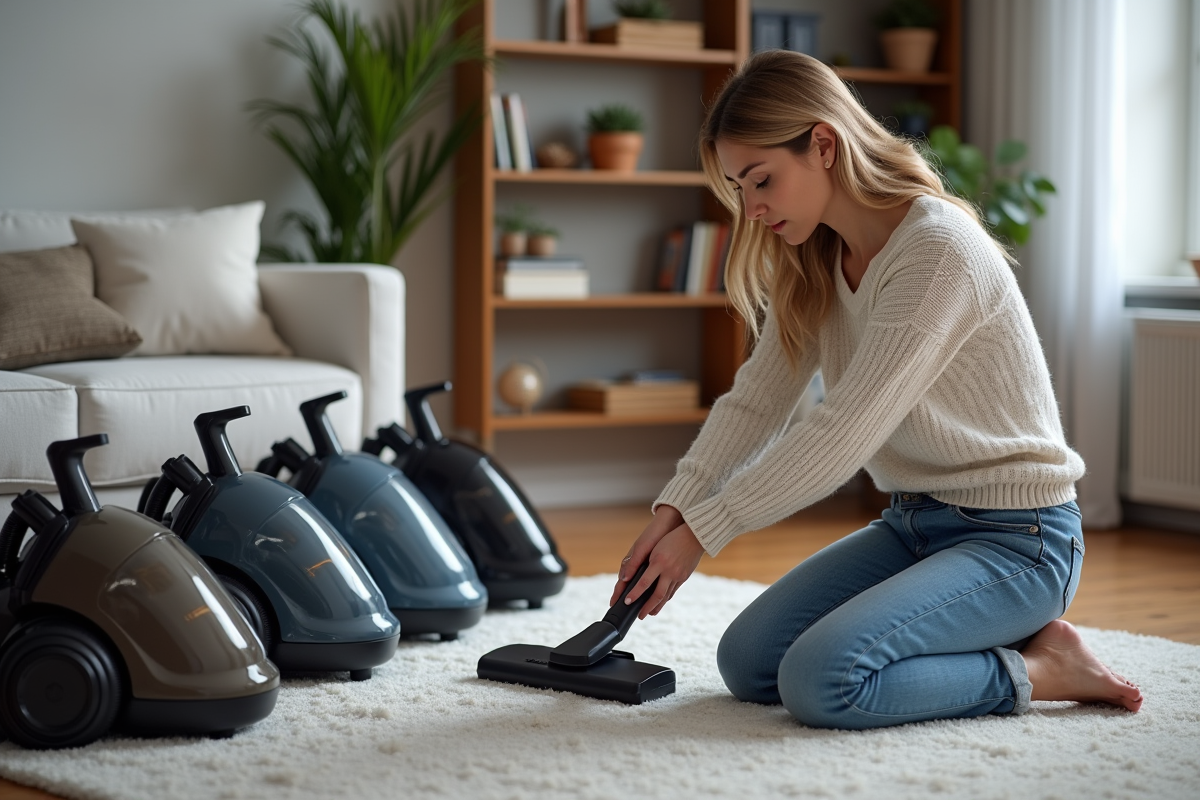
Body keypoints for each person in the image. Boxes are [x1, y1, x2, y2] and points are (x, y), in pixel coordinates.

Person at [610, 50, 1143, 730]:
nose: (750, 209)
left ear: (823, 145)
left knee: (822, 682)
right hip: (915, 522)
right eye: (739, 188)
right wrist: (675, 509)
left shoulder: (937, 250)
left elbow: (843, 432)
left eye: (761, 180)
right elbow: (756, 401)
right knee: (748, 663)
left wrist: (706, 532)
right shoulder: (813, 257)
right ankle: (976, 628)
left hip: (1021, 539)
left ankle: (1044, 668)